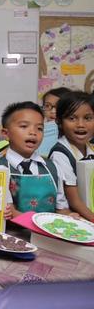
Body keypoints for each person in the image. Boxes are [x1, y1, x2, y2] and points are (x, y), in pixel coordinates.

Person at [0, 102, 75, 217]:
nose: (33, 132)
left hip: (49, 232)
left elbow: (61, 209)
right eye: (24, 126)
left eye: (39, 128)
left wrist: (70, 216)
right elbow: (9, 212)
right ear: (6, 134)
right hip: (13, 234)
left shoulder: (53, 168)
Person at [49, 91, 94, 221]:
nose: (80, 124)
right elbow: (74, 201)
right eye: (72, 118)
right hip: (75, 216)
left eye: (88, 118)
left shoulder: (91, 148)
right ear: (59, 122)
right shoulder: (60, 153)